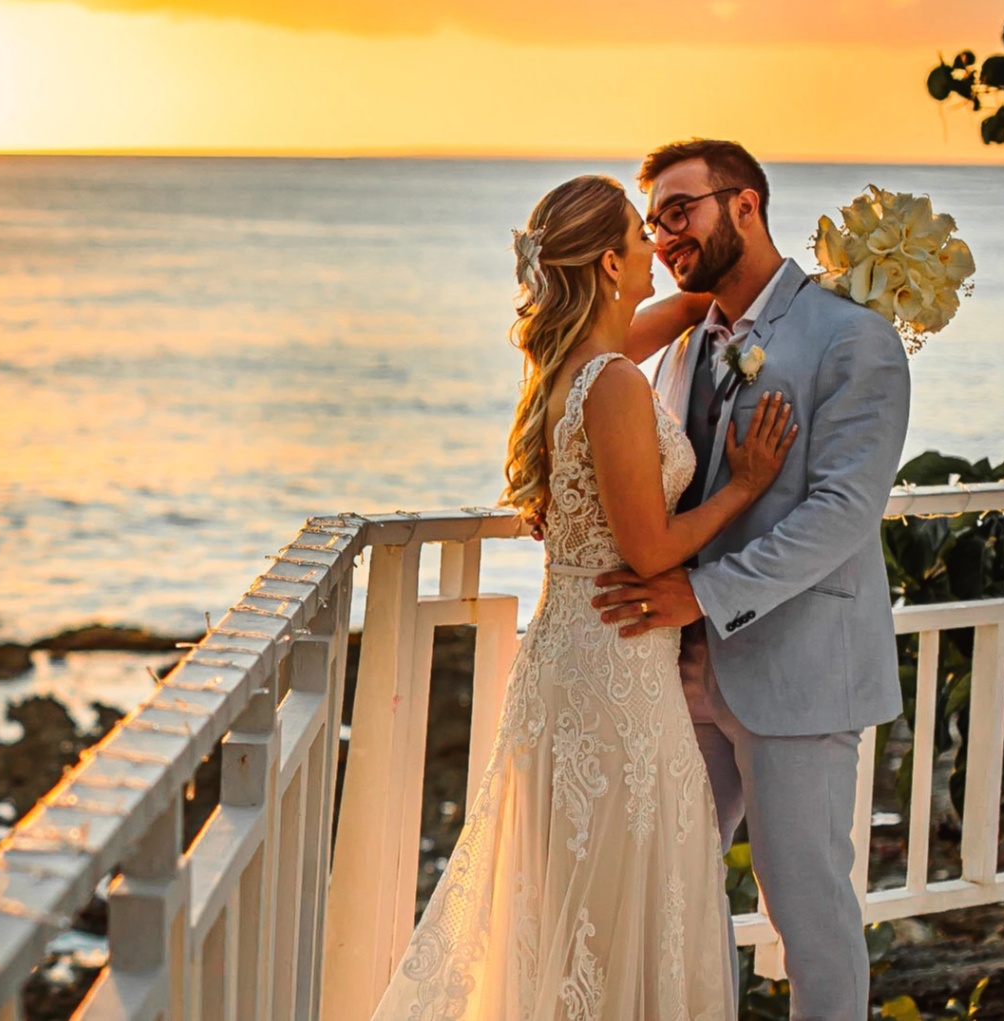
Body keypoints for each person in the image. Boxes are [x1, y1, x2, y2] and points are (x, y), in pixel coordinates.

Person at [366, 174, 796, 1020]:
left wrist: (763, 277)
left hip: (571, 658)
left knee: (577, 896)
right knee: (617, 895)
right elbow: (650, 550)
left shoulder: (575, 362)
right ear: (607, 263)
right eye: (641, 236)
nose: (655, 249)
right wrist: (745, 485)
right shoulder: (614, 382)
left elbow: (680, 309)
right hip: (614, 670)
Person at [594, 138, 914, 1021]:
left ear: (745, 205)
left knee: (806, 915)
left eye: (681, 210)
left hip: (799, 675)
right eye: (654, 220)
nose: (665, 235)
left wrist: (703, 593)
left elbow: (842, 513)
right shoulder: (683, 345)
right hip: (681, 673)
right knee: (671, 895)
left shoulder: (854, 338)